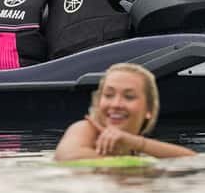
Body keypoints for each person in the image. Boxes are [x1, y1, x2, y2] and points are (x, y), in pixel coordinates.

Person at [54, 63, 196, 161]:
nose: (116, 104)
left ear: (149, 109)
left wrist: (133, 142)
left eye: (129, 97)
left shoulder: (135, 148)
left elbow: (191, 160)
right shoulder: (86, 129)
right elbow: (67, 157)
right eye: (109, 95)